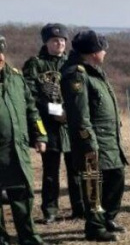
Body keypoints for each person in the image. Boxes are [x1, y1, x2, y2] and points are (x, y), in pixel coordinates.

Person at [61, 30, 127, 242]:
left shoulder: (95, 72)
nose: (105, 52)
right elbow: (80, 114)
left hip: (110, 141)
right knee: (93, 183)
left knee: (116, 177)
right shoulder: (77, 74)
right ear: (91, 52)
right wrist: (88, 142)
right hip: (93, 141)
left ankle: (107, 217)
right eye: (102, 49)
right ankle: (95, 227)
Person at [22, 23, 84, 223]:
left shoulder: (73, 63)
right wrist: (54, 111)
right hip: (49, 125)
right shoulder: (36, 64)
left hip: (72, 125)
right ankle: (50, 210)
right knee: (50, 171)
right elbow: (30, 94)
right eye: (55, 40)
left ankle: (80, 207)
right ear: (46, 42)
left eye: (62, 40)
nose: (59, 43)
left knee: (77, 169)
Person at [0, 33, 55, 245]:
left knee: (23, 192)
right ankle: (1, 241)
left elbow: (32, 110)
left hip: (17, 147)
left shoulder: (16, 77)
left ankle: (28, 237)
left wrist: (40, 136)